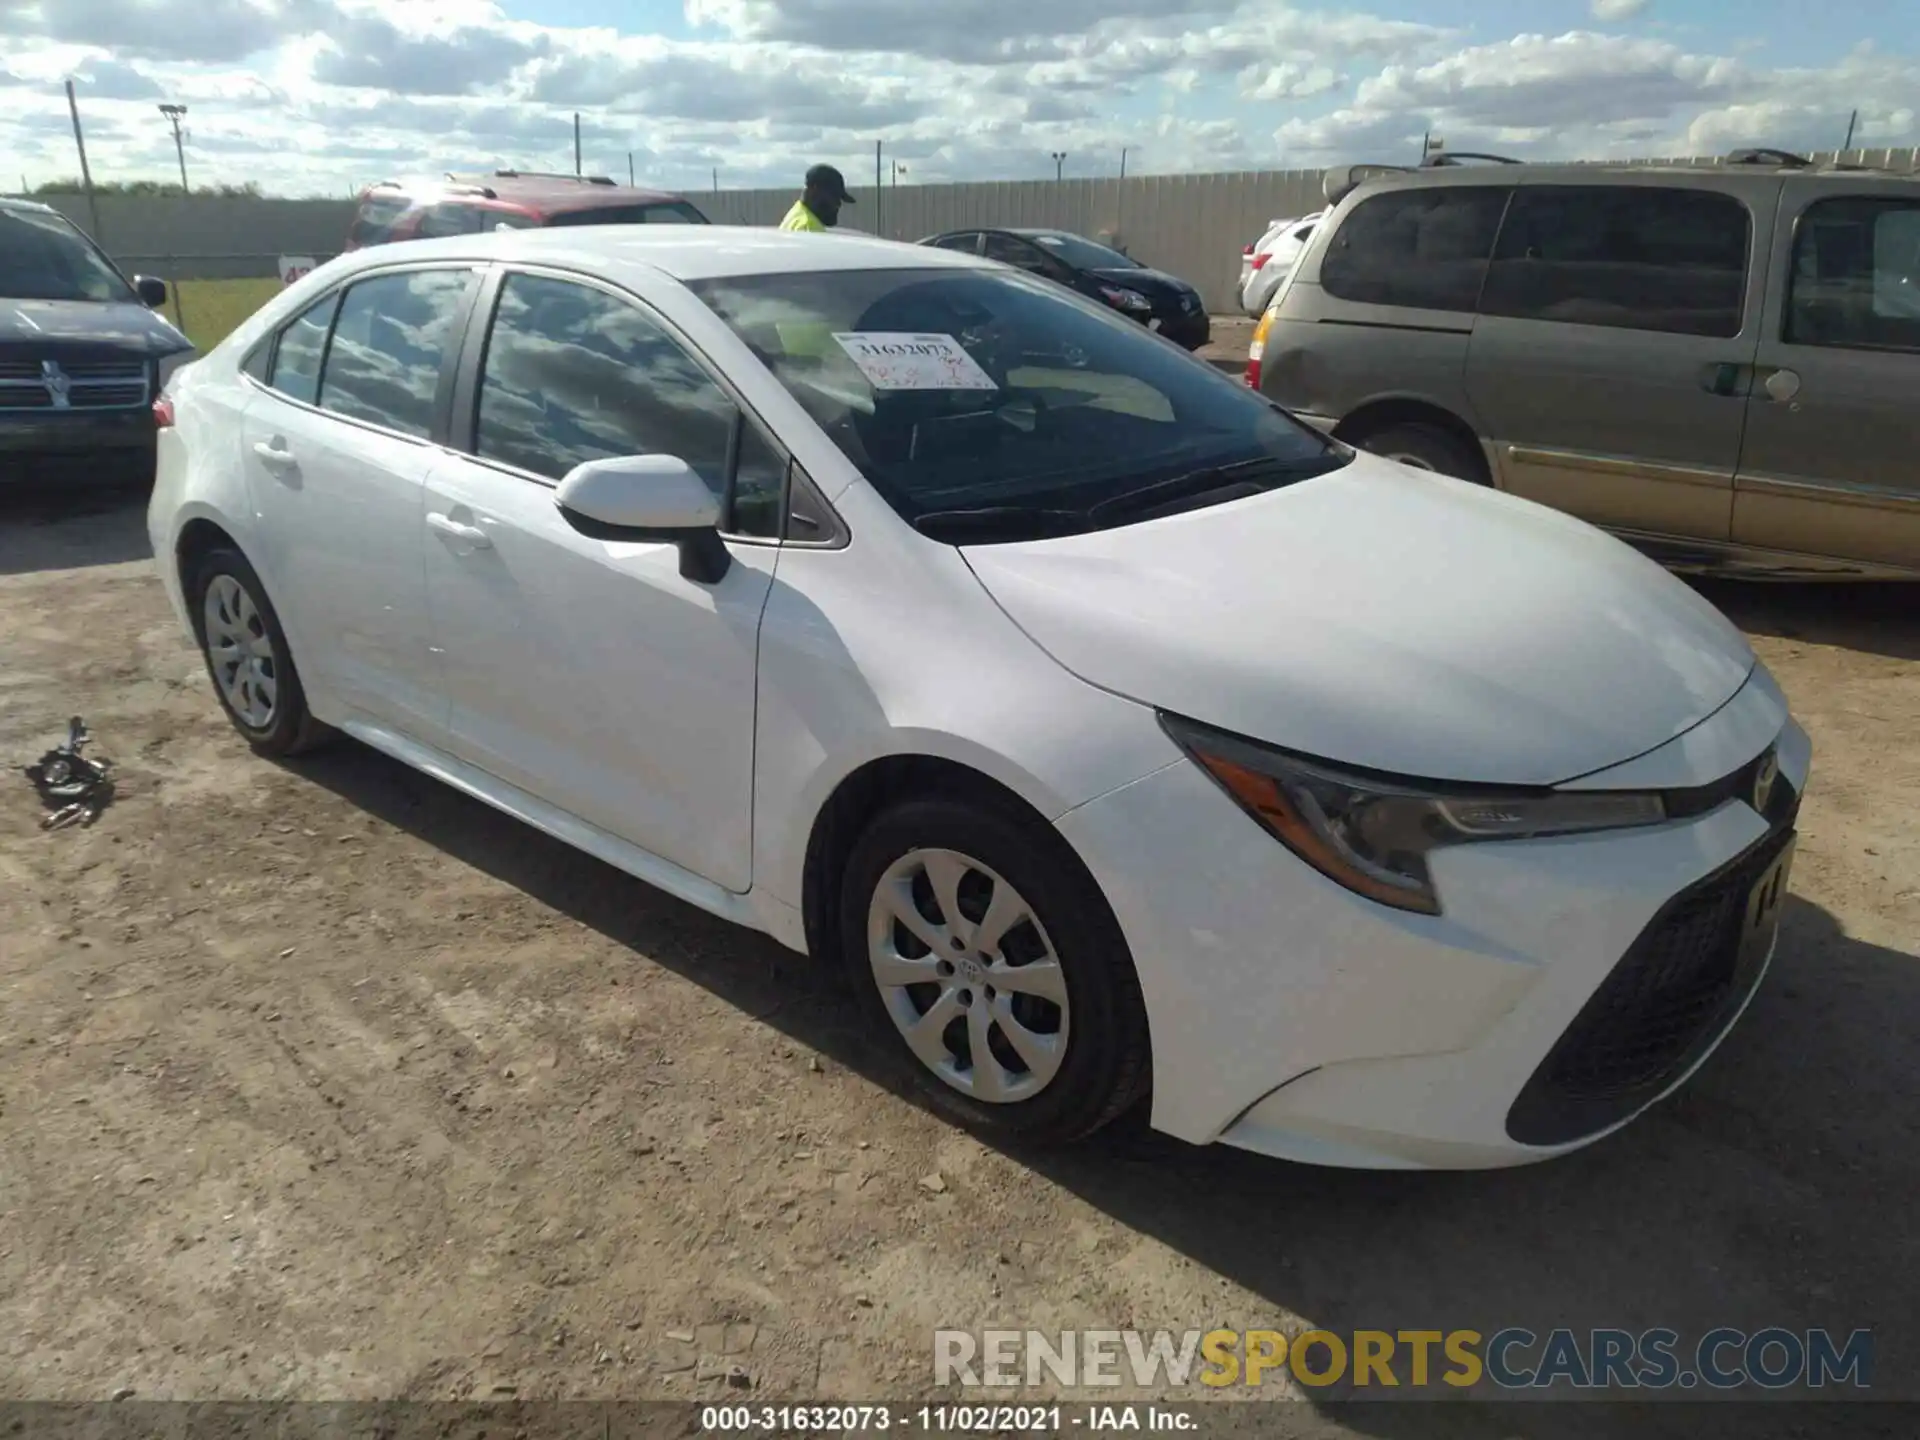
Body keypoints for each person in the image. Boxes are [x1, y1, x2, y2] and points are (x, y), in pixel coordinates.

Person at [779, 164, 856, 232]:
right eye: (834, 197)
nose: (838, 204)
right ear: (814, 190)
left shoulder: (796, 215)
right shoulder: (809, 227)